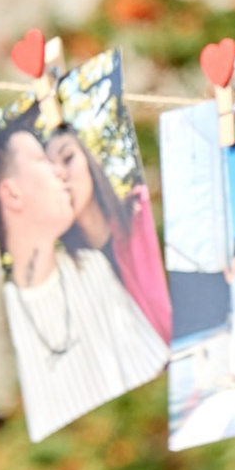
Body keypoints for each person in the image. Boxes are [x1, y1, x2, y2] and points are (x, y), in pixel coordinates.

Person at [0, 110, 169, 443]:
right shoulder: (2, 301)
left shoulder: (95, 268)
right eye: (42, 160)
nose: (59, 173)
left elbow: (156, 365)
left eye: (64, 159)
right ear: (13, 193)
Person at [49, 118, 174, 340]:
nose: (61, 176)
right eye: (50, 173)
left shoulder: (140, 212)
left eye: (68, 158)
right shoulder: (63, 275)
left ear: (88, 160)